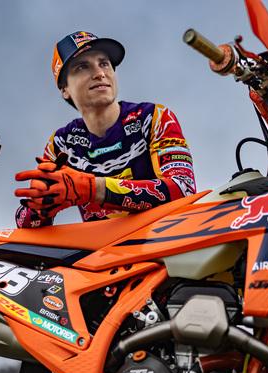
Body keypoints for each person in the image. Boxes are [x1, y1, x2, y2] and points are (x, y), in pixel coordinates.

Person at [14, 31, 196, 227]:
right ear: (65, 89)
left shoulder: (154, 117)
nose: (99, 73)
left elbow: (184, 188)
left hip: (165, 240)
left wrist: (92, 188)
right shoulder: (61, 144)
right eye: (82, 66)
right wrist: (40, 205)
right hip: (103, 247)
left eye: (104, 63)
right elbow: (25, 222)